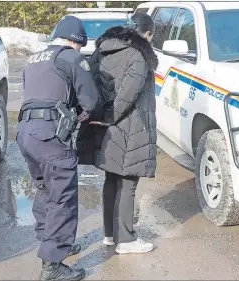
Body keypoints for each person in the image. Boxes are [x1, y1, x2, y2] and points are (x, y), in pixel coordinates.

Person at [16, 15, 99, 281]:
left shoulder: (33, 59)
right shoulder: (71, 58)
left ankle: (49, 238)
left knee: (45, 189)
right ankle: (52, 265)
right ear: (76, 41)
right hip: (51, 135)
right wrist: (80, 116)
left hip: (25, 133)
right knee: (63, 196)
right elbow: (91, 100)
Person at [76, 13, 158, 254]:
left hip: (105, 126)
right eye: (150, 35)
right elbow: (129, 94)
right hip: (130, 125)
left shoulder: (101, 51)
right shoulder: (138, 54)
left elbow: (91, 85)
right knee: (128, 181)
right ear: (146, 33)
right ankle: (127, 240)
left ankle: (110, 235)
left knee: (112, 179)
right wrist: (112, 116)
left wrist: (102, 117)